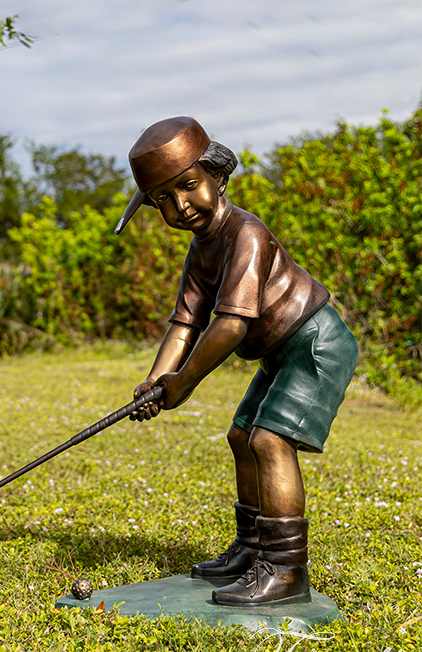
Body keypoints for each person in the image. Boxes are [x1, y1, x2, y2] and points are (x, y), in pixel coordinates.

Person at [115, 116, 358, 606]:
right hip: (279, 353)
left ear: (217, 176)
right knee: (241, 437)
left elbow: (229, 326)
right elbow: (185, 322)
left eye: (188, 186)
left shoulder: (247, 233)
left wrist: (181, 384)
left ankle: (286, 571)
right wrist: (154, 382)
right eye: (162, 198)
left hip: (313, 344)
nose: (180, 205)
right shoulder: (202, 247)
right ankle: (251, 550)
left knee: (269, 442)